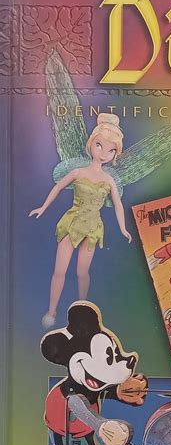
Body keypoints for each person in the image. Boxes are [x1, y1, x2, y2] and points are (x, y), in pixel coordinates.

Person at [30, 114, 131, 328]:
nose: (103, 153)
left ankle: (83, 309)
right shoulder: (78, 172)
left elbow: (118, 204)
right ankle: (52, 310)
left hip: (93, 228)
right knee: (60, 271)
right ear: (91, 143)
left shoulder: (109, 179)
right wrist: (43, 207)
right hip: (73, 223)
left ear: (115, 153)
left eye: (111, 150)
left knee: (82, 273)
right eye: (99, 145)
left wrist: (123, 228)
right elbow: (58, 187)